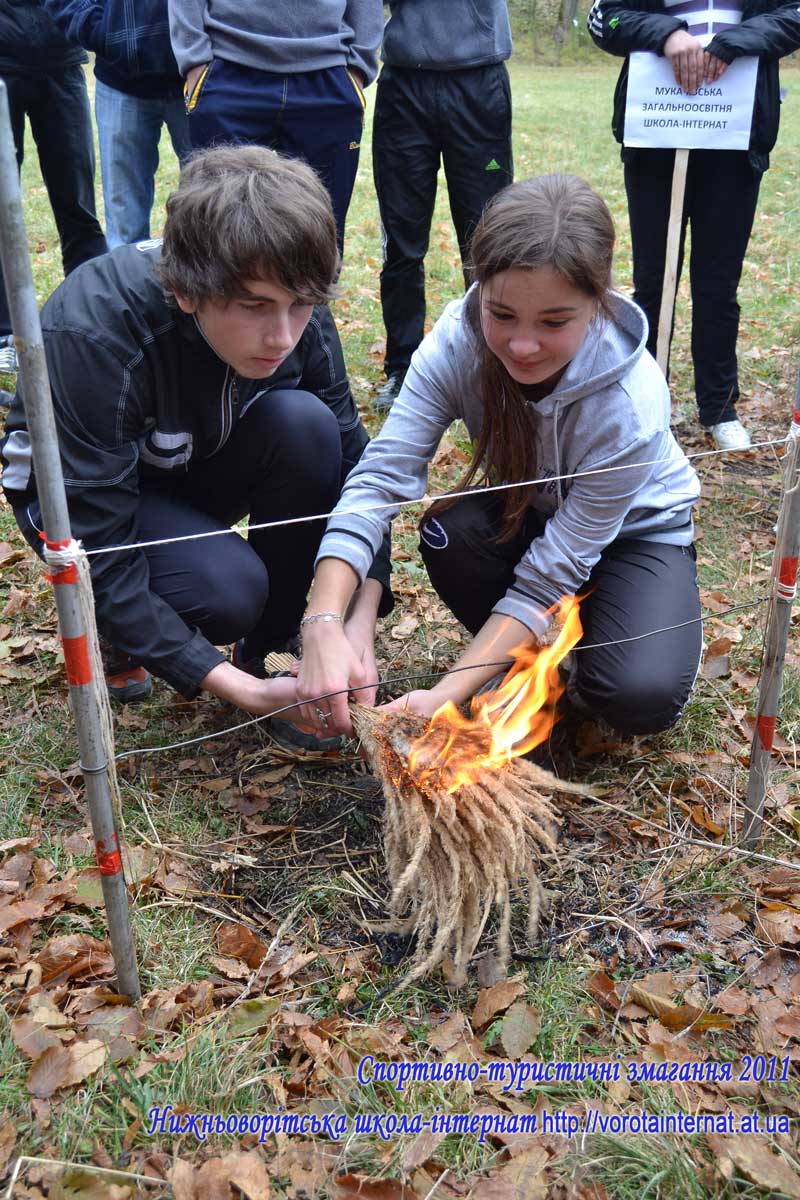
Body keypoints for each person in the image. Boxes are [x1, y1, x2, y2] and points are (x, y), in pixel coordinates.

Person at [294, 175, 703, 743]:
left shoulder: (629, 403)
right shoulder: (455, 345)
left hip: (636, 537)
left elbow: (553, 570)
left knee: (638, 693)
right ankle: (531, 669)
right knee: (451, 532)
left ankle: (608, 654)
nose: (523, 345)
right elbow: (380, 480)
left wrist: (444, 694)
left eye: (554, 322)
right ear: (479, 288)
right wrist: (322, 622)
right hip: (533, 513)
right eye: (502, 314)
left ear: (597, 304)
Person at [1, 146, 390, 739]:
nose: (283, 335)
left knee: (307, 426)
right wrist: (245, 696)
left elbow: (357, 470)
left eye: (300, 306)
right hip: (84, 503)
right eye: (255, 307)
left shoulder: (292, 297)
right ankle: (132, 631)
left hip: (190, 459)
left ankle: (272, 651)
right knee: (225, 591)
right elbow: (96, 544)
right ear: (186, 290)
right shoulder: (94, 332)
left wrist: (351, 624)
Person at [587, 0, 800, 451]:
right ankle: (641, 401)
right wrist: (666, 34)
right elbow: (604, 18)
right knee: (652, 280)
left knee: (718, 285)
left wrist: (736, 41)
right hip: (656, 128)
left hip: (736, 131)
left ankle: (719, 407)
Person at [373, 0, 514, 410]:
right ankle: (403, 367)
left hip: (479, 79)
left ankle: (492, 362)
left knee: (487, 239)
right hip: (403, 82)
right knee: (401, 242)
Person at [167, 0, 383, 249]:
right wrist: (194, 60)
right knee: (214, 231)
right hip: (227, 69)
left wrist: (358, 67)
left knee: (320, 236)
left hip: (329, 74)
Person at [0, 0, 107, 369]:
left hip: (62, 62)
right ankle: (4, 334)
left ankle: (93, 322)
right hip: (2, 67)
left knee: (78, 208)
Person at [43, 0, 191, 249]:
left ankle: (208, 275)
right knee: (125, 230)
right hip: (119, 79)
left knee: (210, 208)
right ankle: (128, 275)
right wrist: (99, 29)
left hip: (195, 74)